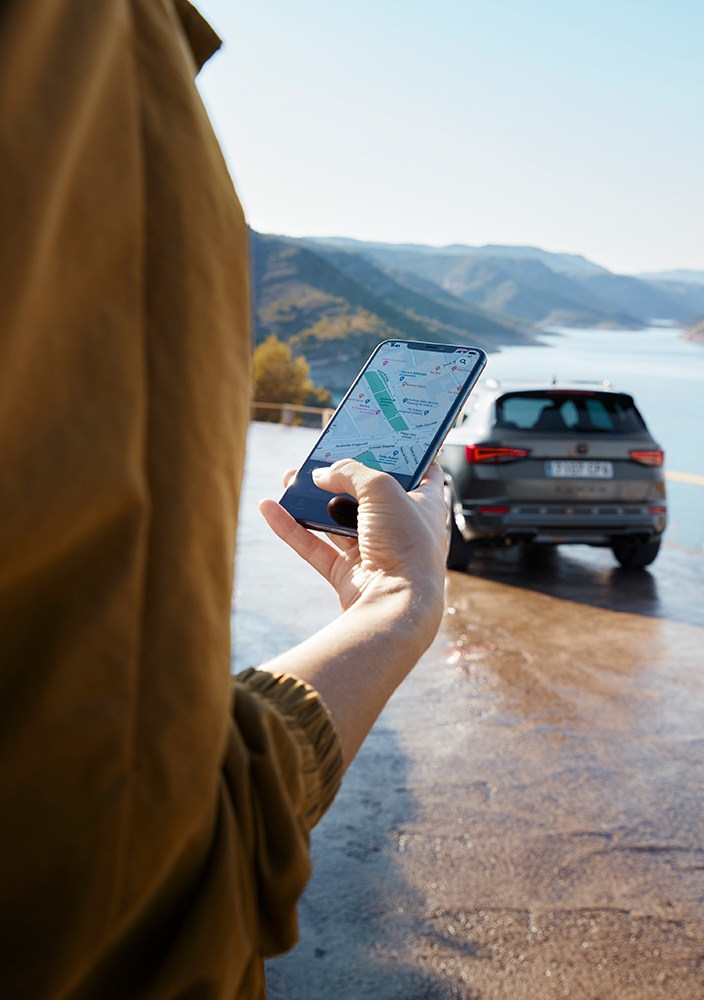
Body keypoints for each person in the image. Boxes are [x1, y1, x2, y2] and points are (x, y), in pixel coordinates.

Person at [0, 2, 448, 997]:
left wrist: (389, 614)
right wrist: (396, 612)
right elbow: (106, 870)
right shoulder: (79, 48)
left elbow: (133, 799)